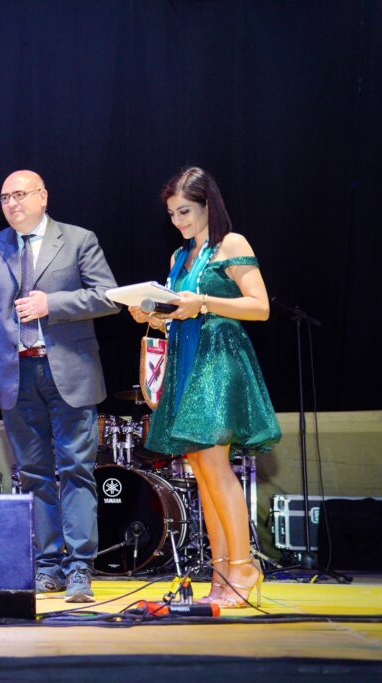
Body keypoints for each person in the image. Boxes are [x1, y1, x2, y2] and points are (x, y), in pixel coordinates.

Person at [129, 166, 280, 608]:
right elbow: (179, 313)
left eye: (186, 211)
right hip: (185, 363)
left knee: (216, 469)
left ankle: (244, 567)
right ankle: (220, 572)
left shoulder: (230, 245)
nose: (179, 221)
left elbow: (261, 307)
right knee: (202, 474)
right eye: (173, 214)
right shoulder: (179, 259)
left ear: (208, 205)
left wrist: (205, 302)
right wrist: (152, 315)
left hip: (218, 361)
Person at [0, 170, 119, 603]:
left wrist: (52, 305)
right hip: (17, 376)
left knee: (76, 470)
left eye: (19, 195)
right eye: (4, 198)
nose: (12, 203)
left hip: (69, 371)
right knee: (33, 475)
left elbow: (109, 296)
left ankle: (80, 569)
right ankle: (47, 566)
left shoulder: (78, 239)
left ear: (43, 197)